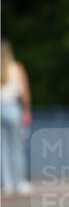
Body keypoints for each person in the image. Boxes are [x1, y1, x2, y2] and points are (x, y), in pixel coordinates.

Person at [1, 40, 32, 195]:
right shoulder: (17, 68)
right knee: (17, 148)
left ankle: (7, 184)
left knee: (3, 149)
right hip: (12, 108)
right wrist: (26, 109)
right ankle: (19, 182)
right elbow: (24, 93)